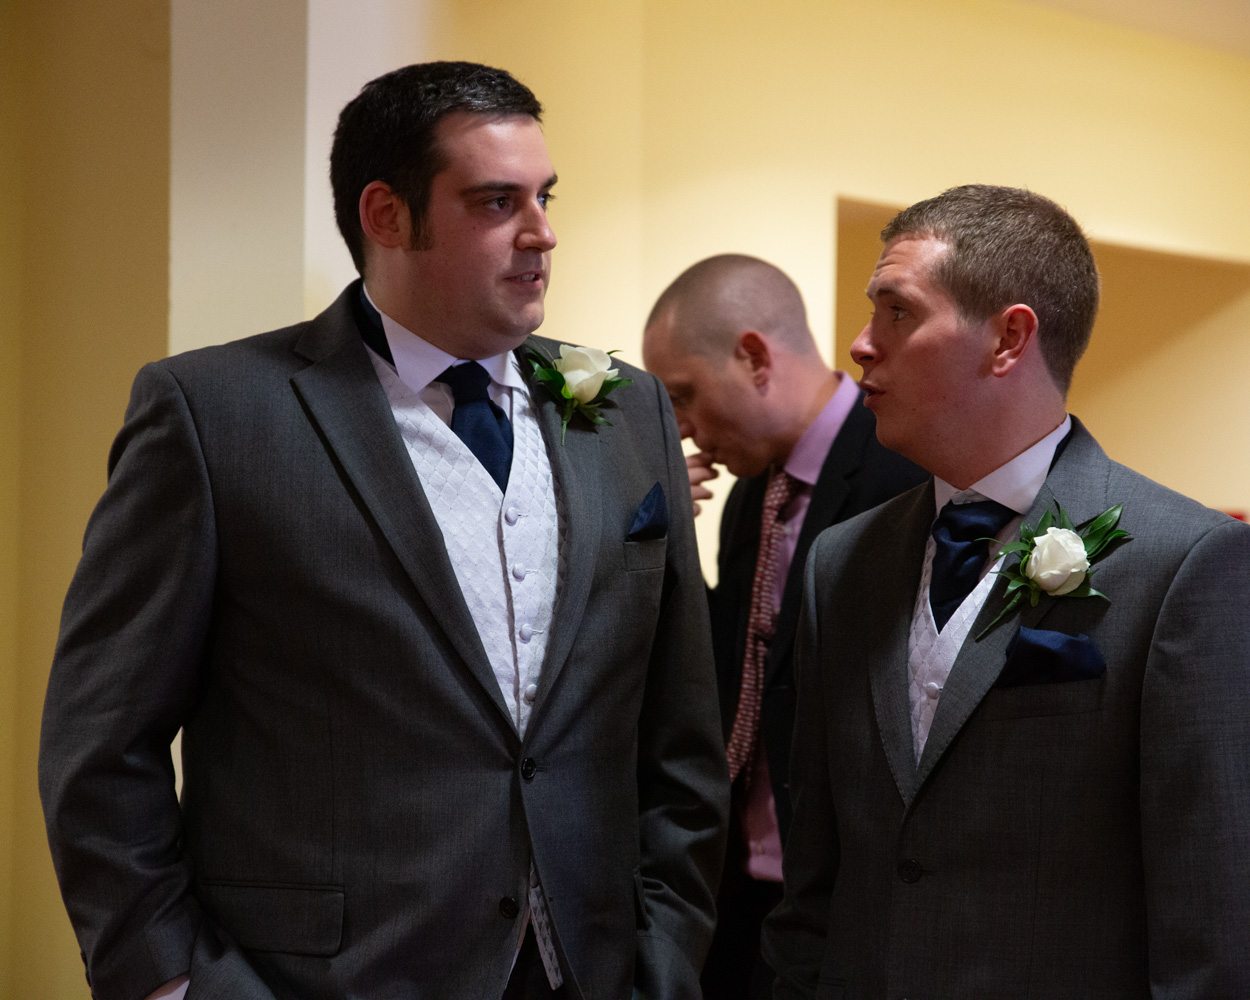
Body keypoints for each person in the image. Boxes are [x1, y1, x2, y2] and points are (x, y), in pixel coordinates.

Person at [39, 61, 728, 1000]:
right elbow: (101, 745)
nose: (542, 233)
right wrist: (175, 983)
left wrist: (666, 953)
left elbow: (680, 733)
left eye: (545, 197)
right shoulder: (214, 415)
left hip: (593, 967)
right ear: (387, 215)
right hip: (322, 976)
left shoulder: (626, 409)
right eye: (498, 202)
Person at [763, 184, 1250, 998]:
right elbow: (816, 880)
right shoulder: (840, 563)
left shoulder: (1186, 564)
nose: (860, 345)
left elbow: (1212, 923)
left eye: (897, 312)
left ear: (1007, 339)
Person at [641, 255, 924, 998]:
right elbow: (728, 672)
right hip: (740, 885)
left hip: (847, 895)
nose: (682, 429)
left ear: (754, 357)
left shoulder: (902, 470)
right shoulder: (750, 495)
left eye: (684, 396)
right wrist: (658, 542)